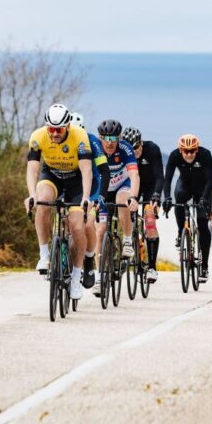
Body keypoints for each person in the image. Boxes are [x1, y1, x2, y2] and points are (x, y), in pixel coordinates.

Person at [25, 104, 92, 300]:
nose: (54, 133)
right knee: (43, 201)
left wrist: (86, 197)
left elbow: (87, 171)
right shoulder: (38, 137)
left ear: (68, 126)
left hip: (75, 180)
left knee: (77, 227)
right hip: (52, 175)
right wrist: (32, 195)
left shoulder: (80, 136)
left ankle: (76, 276)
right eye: (51, 129)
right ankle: (44, 255)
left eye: (59, 130)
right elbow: (32, 170)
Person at [93, 119, 140, 295]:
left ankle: (127, 240)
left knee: (122, 202)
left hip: (122, 185)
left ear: (119, 138)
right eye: (106, 138)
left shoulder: (126, 148)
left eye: (113, 138)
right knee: (99, 232)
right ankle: (99, 277)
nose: (110, 142)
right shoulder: (95, 148)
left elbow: (134, 175)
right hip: (102, 189)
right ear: (100, 138)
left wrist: (133, 197)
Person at [163, 134, 212, 282]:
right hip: (185, 185)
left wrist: (204, 198)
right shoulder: (174, 155)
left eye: (192, 151)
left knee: (202, 224)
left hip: (202, 188)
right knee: (179, 199)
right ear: (181, 150)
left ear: (197, 149)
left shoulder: (205, 155)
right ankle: (181, 232)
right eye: (186, 151)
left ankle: (204, 266)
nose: (189, 154)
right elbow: (167, 180)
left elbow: (210, 179)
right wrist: (167, 198)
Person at [69, 113, 109, 288]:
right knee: (65, 219)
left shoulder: (92, 141)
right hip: (70, 186)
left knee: (87, 225)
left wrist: (101, 197)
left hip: (91, 187)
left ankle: (89, 259)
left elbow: (105, 171)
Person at [121, 126, 164, 283]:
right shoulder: (122, 152)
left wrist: (157, 195)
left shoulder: (152, 149)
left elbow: (160, 177)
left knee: (149, 218)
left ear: (142, 142)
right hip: (132, 185)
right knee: (123, 211)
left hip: (150, 186)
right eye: (131, 149)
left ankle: (152, 267)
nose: (135, 152)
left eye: (137, 147)